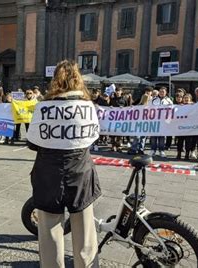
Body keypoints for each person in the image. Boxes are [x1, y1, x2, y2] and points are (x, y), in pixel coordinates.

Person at [27, 60, 100, 268]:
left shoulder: (43, 107)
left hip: (48, 171)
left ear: (55, 80)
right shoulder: (87, 106)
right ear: (78, 79)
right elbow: (93, 137)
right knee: (85, 229)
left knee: (49, 227)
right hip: (80, 170)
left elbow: (32, 142)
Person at [149, 87, 173, 157]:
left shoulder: (169, 101)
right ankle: (153, 150)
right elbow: (148, 109)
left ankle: (161, 150)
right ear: (158, 92)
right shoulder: (153, 100)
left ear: (166, 92)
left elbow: (171, 111)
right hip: (154, 120)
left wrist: (168, 120)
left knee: (162, 136)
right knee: (153, 136)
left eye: (163, 91)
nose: (162, 93)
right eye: (160, 91)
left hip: (163, 121)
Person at [176, 94, 196, 160]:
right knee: (180, 141)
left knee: (188, 141)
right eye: (185, 98)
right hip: (181, 126)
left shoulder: (193, 106)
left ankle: (187, 154)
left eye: (188, 98)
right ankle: (179, 153)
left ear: (190, 99)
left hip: (189, 127)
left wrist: (190, 104)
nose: (186, 99)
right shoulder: (180, 106)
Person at [109, 87, 128, 152]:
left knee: (119, 133)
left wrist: (123, 108)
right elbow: (108, 107)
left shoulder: (124, 99)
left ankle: (118, 146)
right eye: (116, 91)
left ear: (121, 92)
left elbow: (127, 108)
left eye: (119, 91)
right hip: (113, 119)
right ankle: (113, 146)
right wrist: (110, 107)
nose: (117, 92)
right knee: (112, 133)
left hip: (121, 119)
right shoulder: (112, 99)